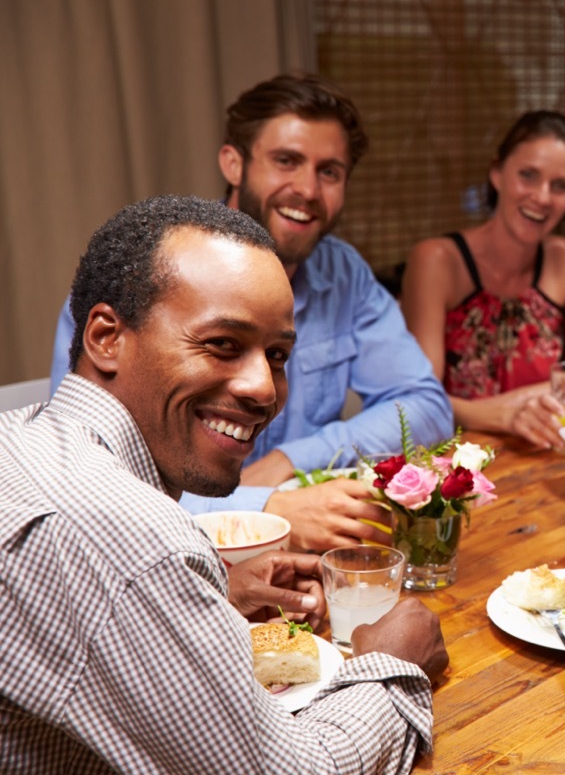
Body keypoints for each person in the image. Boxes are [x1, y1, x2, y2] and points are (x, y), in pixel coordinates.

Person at [3, 195, 448, 773]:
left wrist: (214, 600)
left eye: (279, 354)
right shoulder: (138, 543)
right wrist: (393, 664)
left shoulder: (24, 438)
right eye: (222, 344)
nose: (264, 387)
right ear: (106, 338)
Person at [49, 73, 454, 551]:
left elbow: (427, 406)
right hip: (164, 552)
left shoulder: (343, 273)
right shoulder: (148, 271)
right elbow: (85, 473)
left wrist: (290, 459)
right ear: (234, 163)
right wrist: (262, 509)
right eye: (287, 161)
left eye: (330, 172)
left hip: (302, 560)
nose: (307, 188)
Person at [401, 110, 565, 449]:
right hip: (456, 460)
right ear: (497, 173)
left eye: (560, 186)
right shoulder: (437, 260)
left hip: (541, 452)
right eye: (528, 175)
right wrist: (503, 413)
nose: (542, 197)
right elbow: (419, 401)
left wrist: (539, 394)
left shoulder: (561, 258)